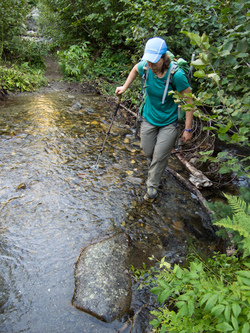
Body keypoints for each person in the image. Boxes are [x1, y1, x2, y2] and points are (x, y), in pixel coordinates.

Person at [115, 37, 194, 200]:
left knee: (159, 156)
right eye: (148, 61)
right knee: (148, 150)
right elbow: (135, 69)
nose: (149, 65)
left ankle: (152, 186)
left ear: (163, 58)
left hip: (169, 122)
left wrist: (188, 128)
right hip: (149, 117)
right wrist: (124, 86)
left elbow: (188, 101)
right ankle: (157, 168)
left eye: (153, 62)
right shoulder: (146, 67)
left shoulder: (176, 75)